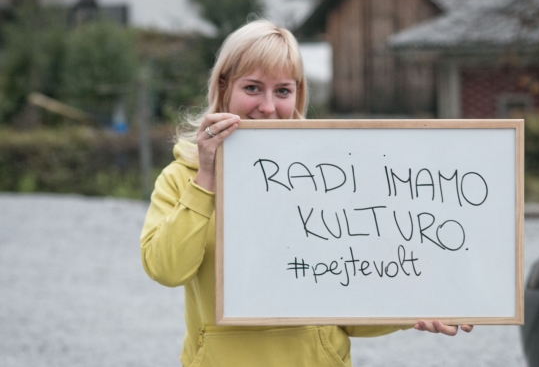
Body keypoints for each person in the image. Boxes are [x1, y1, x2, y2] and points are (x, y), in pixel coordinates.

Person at [140, 19, 473, 367]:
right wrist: (207, 177)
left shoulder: (329, 178)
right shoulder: (182, 178)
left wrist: (416, 308)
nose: (268, 107)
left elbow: (349, 303)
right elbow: (167, 270)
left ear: (298, 94)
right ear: (223, 86)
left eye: (283, 91)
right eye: (252, 88)